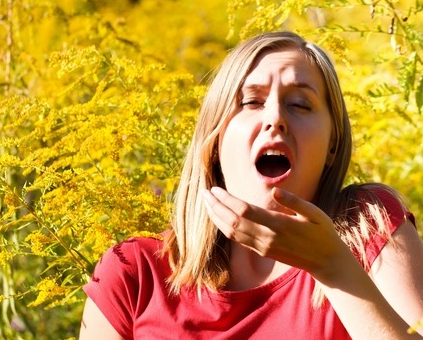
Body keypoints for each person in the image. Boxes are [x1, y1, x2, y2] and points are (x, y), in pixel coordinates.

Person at [78, 31, 423, 339]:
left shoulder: (367, 228)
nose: (275, 118)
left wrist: (331, 266)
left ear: (332, 144)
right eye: (251, 102)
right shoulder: (135, 274)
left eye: (300, 104)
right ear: (214, 141)